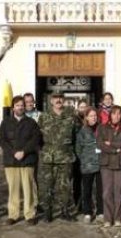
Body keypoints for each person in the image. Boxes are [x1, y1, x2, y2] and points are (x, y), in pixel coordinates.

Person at [0, 96, 41, 226]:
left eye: (22, 105)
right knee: (13, 189)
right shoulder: (6, 122)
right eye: (17, 105)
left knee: (28, 189)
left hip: (27, 159)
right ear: (13, 108)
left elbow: (35, 139)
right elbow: (2, 140)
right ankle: (13, 214)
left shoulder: (31, 123)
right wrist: (14, 152)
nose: (20, 107)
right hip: (11, 161)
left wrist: (24, 152)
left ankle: (30, 214)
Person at [38, 91, 76, 222]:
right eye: (55, 98)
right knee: (48, 186)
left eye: (60, 98)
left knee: (64, 186)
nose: (58, 100)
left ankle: (64, 211)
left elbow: (76, 135)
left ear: (63, 100)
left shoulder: (71, 116)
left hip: (65, 157)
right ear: (51, 101)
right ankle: (48, 212)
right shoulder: (44, 116)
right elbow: (38, 137)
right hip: (49, 157)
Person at [97, 105, 121, 227]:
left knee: (119, 192)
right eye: (114, 113)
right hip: (106, 163)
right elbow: (100, 144)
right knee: (107, 192)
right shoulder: (102, 127)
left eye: (119, 114)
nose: (116, 116)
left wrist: (111, 143)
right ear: (110, 115)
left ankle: (118, 218)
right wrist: (115, 150)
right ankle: (107, 218)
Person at [75, 107, 103, 224]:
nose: (93, 118)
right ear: (86, 117)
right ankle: (88, 212)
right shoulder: (82, 131)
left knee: (100, 190)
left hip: (101, 164)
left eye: (95, 116)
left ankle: (101, 212)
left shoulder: (101, 129)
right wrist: (85, 159)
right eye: (91, 116)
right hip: (87, 165)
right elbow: (78, 148)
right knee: (87, 190)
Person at [72, 99, 88, 211]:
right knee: (77, 180)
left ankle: (86, 202)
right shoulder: (73, 120)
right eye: (81, 107)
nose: (83, 109)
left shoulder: (90, 119)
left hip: (88, 155)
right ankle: (77, 203)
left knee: (87, 180)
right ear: (78, 108)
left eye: (85, 107)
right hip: (76, 154)